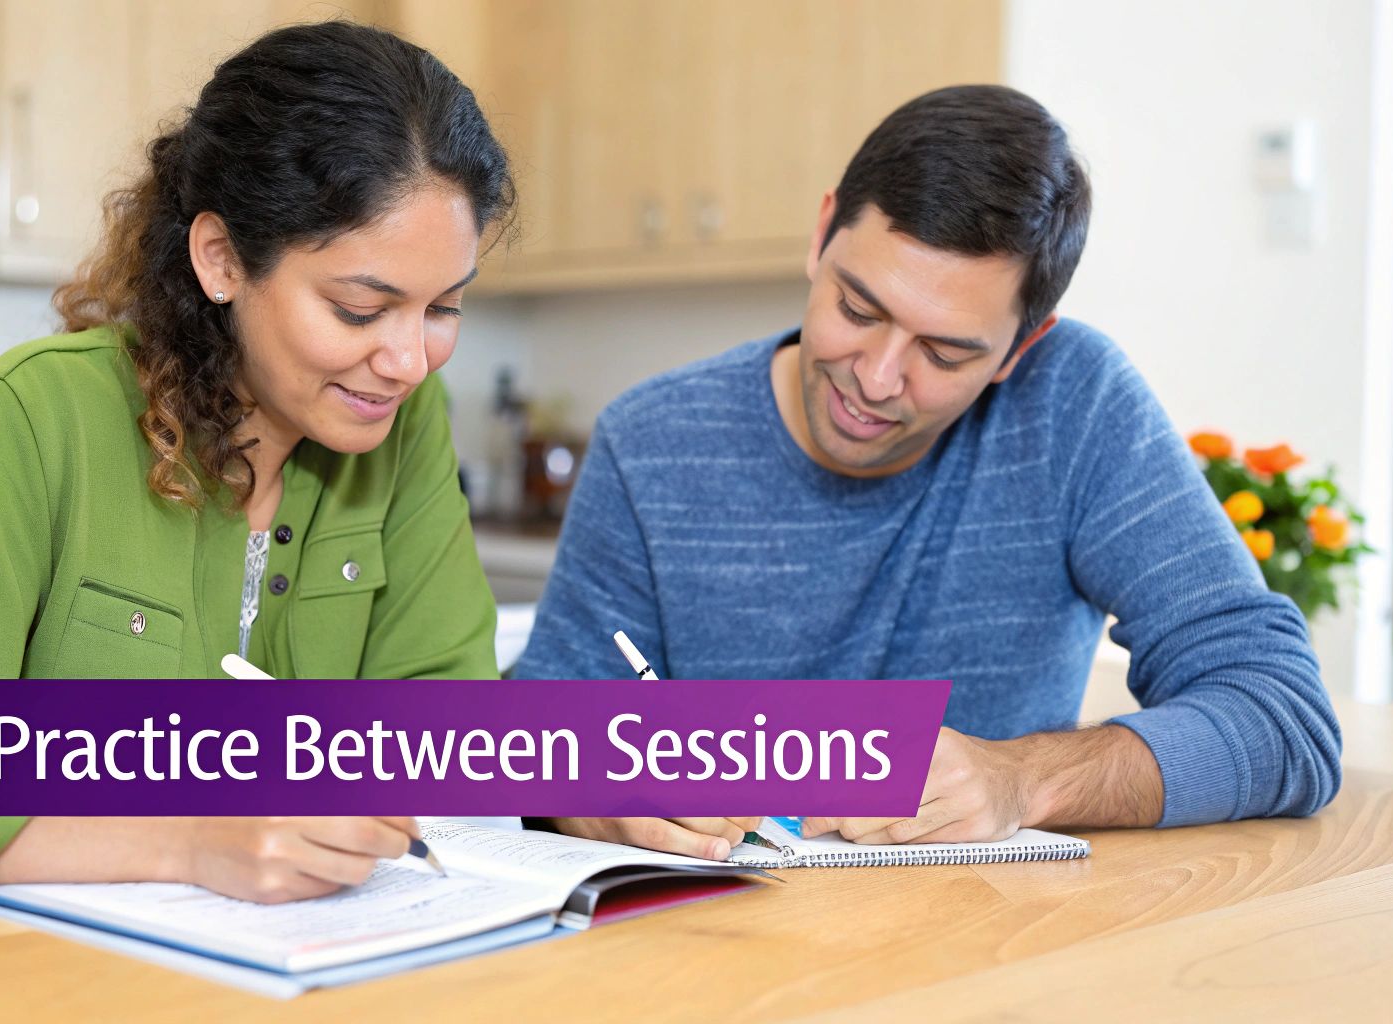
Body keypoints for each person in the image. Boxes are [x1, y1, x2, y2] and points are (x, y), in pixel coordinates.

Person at [0, 20, 513, 923]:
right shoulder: (33, 421)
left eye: (445, 307)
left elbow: (448, 738)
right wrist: (185, 837)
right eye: (360, 309)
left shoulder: (400, 421)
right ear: (222, 259)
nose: (407, 359)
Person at [516, 85, 1340, 858]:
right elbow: (532, 737)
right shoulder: (652, 440)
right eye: (857, 310)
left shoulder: (1074, 406)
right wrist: (593, 789)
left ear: (1022, 348)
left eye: (945, 352)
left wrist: (1021, 779)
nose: (875, 379)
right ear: (822, 235)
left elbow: (1283, 716)